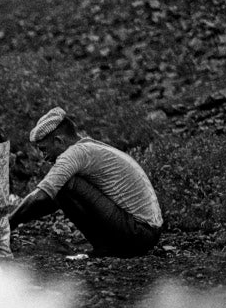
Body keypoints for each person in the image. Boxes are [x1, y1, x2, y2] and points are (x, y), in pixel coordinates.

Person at [9, 107, 163, 257]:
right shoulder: (88, 146)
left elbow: (42, 195)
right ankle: (106, 248)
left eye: (44, 149)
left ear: (58, 141)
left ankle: (105, 249)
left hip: (139, 233)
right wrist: (20, 217)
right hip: (147, 233)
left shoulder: (75, 153)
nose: (44, 157)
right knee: (60, 188)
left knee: (64, 184)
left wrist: (9, 222)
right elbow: (52, 200)